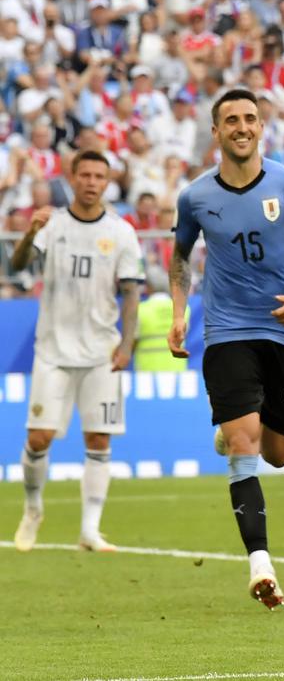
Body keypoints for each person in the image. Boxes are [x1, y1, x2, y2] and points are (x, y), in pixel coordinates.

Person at [168, 88, 284, 609]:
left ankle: (231, 432)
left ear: (260, 126)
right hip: (226, 331)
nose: (242, 127)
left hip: (282, 334)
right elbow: (178, 258)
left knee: (276, 453)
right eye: (231, 120)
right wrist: (179, 311)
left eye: (250, 118)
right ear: (216, 131)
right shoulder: (195, 196)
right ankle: (261, 565)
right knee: (246, 448)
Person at [11, 151, 145, 554]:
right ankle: (33, 508)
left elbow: (131, 293)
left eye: (99, 176)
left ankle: (90, 529)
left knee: (99, 440)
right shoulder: (52, 225)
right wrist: (30, 233)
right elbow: (17, 265)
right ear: (71, 177)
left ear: (108, 182)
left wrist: (126, 344)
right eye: (84, 174)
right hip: (52, 350)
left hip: (101, 353)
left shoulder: (122, 232)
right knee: (39, 438)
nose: (91, 182)